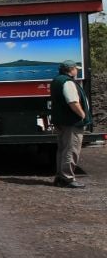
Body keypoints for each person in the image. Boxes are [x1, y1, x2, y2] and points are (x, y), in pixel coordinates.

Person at [50, 60, 90, 188]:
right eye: (75, 69)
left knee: (62, 149)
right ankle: (67, 178)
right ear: (70, 70)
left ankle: (60, 177)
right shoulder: (67, 82)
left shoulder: (57, 80)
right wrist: (83, 115)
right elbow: (73, 102)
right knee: (71, 149)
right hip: (71, 121)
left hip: (62, 120)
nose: (77, 71)